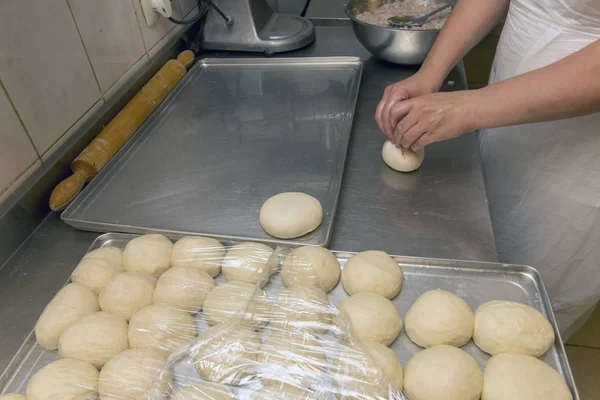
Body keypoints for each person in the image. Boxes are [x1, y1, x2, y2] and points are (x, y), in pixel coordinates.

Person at [375, 0, 600, 338]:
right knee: (485, 250)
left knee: (527, 315)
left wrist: (472, 107)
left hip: (577, 154)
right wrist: (431, 72)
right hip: (506, 109)